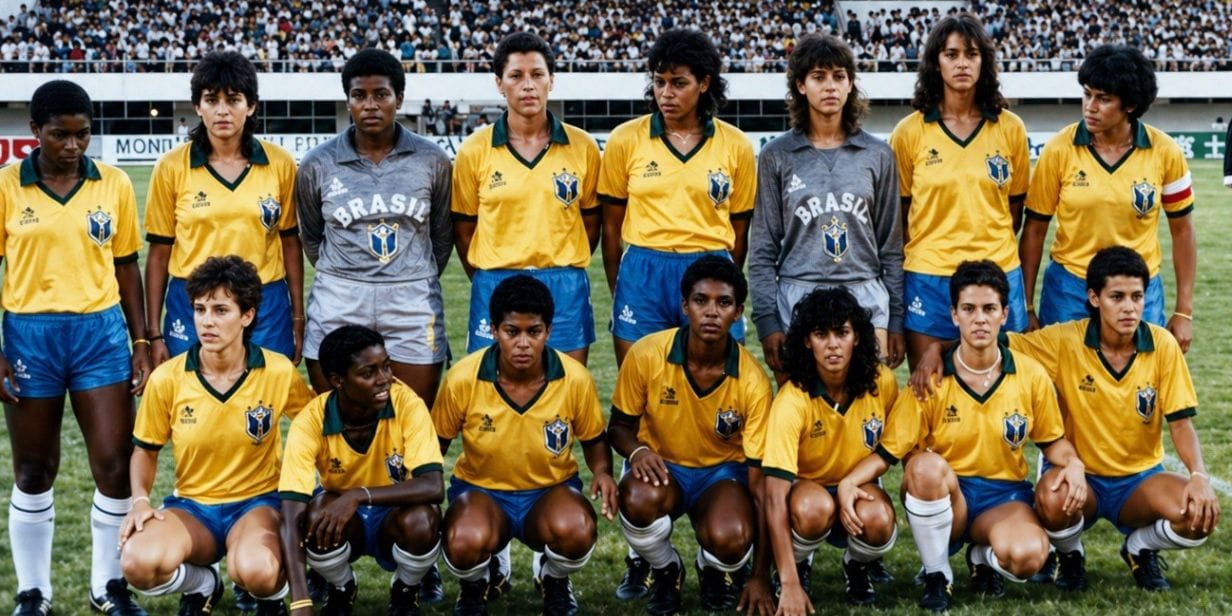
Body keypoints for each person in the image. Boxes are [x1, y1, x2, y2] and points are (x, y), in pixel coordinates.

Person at [913, 246, 1218, 592]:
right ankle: (1071, 556)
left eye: (1137, 296)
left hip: (1139, 481)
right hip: (1081, 480)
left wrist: (1198, 475)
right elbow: (989, 338)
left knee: (1199, 513)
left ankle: (1140, 547)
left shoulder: (1162, 345)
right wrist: (936, 350)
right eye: (1116, 296)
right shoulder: (1063, 340)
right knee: (1052, 498)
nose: (1129, 307)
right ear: (1094, 297)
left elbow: (1181, 423)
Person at [840, 260, 1087, 612]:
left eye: (989, 309)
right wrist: (851, 481)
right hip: (947, 496)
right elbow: (888, 452)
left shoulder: (1030, 374)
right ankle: (937, 574)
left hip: (1003, 498)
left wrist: (1074, 463)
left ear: (1005, 314)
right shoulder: (930, 377)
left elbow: (1052, 441)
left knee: (1030, 557)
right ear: (955, 315)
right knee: (924, 467)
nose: (980, 319)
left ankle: (982, 557)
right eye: (969, 309)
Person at [0, 80, 150, 616]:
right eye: (60, 135)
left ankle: (107, 586)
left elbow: (126, 264)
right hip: (29, 336)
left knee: (113, 463)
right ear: (34, 132)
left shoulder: (111, 184)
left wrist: (142, 341)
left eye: (83, 134)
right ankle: (33, 592)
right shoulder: (6, 187)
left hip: (100, 333)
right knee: (34, 469)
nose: (72, 145)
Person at [120, 256, 314, 615]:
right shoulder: (169, 378)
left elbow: (314, 424)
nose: (207, 321)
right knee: (137, 562)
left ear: (247, 316)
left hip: (257, 504)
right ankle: (204, 584)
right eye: (200, 309)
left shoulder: (277, 371)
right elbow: (145, 450)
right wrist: (140, 501)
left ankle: (269, 597)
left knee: (257, 571)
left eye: (221, 310)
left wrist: (312, 491)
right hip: (193, 507)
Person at [432, 275, 618, 616]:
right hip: (482, 491)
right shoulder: (462, 378)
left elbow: (594, 439)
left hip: (548, 492)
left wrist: (603, 472)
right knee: (463, 540)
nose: (522, 343)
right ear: (493, 330)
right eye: (511, 331)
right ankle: (475, 585)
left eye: (533, 332)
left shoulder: (574, 378)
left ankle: (554, 578)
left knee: (577, 529)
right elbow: (436, 447)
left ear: (548, 331)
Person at [608, 256, 773, 616]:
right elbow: (618, 427)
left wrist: (759, 576)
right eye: (701, 300)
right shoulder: (647, 354)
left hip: (721, 475)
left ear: (738, 312)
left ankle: (713, 569)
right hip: (663, 467)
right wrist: (636, 452)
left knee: (731, 537)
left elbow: (761, 486)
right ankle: (666, 570)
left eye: (723, 302)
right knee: (635, 498)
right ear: (685, 306)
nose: (711, 312)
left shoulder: (754, 382)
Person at [296, 48, 452, 410]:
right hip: (340, 295)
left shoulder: (432, 160)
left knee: (413, 417)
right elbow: (312, 237)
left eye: (381, 94)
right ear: (347, 101)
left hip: (411, 297)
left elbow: (441, 236)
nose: (370, 104)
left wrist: (410, 273)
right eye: (359, 95)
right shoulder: (318, 163)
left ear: (399, 98)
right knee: (339, 421)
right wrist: (348, 274)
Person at [1020, 45, 1196, 353]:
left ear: (1129, 104)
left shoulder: (1166, 151)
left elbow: (1182, 231)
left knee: (1139, 388)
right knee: (1063, 391)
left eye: (1104, 99)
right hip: (1070, 288)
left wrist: (1183, 311)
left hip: (1138, 290)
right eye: (1087, 94)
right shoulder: (1058, 149)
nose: (1090, 106)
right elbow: (1034, 231)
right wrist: (1027, 304)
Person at [749, 33, 904, 381]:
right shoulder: (777, 156)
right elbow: (762, 250)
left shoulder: (878, 155)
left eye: (839, 76)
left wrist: (895, 317)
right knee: (803, 411)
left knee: (867, 416)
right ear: (801, 86)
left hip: (864, 291)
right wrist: (767, 320)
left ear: (851, 85)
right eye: (818, 77)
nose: (830, 86)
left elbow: (892, 249)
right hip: (798, 293)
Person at [600, 28, 756, 366]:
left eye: (678, 83)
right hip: (643, 272)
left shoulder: (737, 145)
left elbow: (740, 231)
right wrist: (622, 287)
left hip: (709, 268)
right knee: (639, 385)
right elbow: (610, 229)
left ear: (704, 83)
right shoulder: (624, 140)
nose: (666, 93)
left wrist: (722, 277)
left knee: (717, 384)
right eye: (659, 82)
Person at [145, 50, 304, 365]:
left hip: (264, 301)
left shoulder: (280, 163)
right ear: (197, 107)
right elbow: (159, 252)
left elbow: (290, 243)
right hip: (192, 300)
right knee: (196, 403)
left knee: (261, 403)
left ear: (251, 106)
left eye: (233, 100)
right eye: (211, 100)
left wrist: (298, 317)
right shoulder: (171, 166)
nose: (222, 111)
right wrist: (153, 333)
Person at [889, 14, 1030, 368]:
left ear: (985, 61)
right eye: (951, 54)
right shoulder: (909, 132)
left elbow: (1014, 209)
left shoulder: (1010, 128)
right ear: (935, 63)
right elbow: (901, 216)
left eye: (971, 54)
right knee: (931, 391)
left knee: (1003, 390)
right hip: (929, 277)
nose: (962, 63)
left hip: (997, 273)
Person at [452, 32, 601, 365]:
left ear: (552, 81)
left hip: (564, 283)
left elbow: (591, 224)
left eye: (537, 74)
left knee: (565, 387)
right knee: (493, 393)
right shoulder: (474, 150)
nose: (528, 85)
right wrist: (487, 276)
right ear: (499, 83)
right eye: (516, 76)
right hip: (496, 280)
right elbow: (464, 230)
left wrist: (559, 259)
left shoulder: (584, 147)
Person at [279, 325, 445, 616]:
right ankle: (341, 587)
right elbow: (292, 515)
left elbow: (433, 486)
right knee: (315, 516)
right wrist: (300, 601)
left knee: (423, 519)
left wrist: (358, 495)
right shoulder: (310, 420)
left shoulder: (406, 402)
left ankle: (405, 589)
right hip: (344, 520)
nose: (384, 380)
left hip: (395, 514)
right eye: (368, 373)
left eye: (386, 367)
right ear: (337, 381)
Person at [761, 288, 899, 611]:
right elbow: (773, 495)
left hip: (859, 487)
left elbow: (902, 445)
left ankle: (857, 564)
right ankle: (797, 566)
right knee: (813, 508)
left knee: (879, 519)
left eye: (842, 333)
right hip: (808, 494)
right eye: (821, 334)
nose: (833, 344)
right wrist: (789, 585)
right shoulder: (792, 400)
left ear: (858, 338)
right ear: (807, 341)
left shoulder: (883, 383)